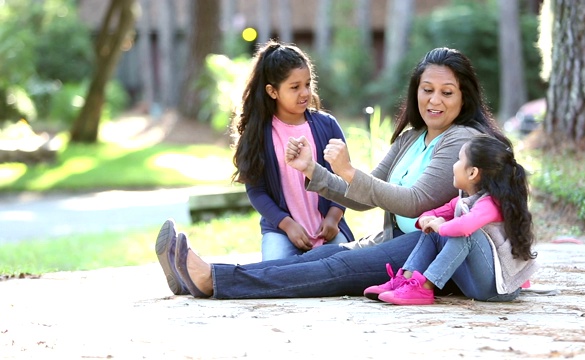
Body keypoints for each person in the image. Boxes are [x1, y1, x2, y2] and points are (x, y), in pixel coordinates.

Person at [155, 47, 512, 299]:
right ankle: (204, 280)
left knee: (334, 267)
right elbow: (364, 199)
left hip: (430, 254)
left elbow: (414, 203)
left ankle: (212, 279)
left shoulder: (463, 140)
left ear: (464, 97)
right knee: (317, 258)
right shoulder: (411, 139)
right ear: (415, 91)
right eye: (427, 89)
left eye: (447, 93)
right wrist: (314, 170)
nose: (434, 100)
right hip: (395, 244)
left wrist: (350, 171)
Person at [366, 134, 539, 305]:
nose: (454, 165)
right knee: (435, 231)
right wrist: (427, 220)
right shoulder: (464, 201)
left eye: (458, 159)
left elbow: (465, 227)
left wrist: (442, 226)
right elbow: (434, 213)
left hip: (499, 289)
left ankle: (425, 287)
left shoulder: (491, 204)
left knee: (466, 234)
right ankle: (405, 280)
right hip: (475, 284)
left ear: (472, 172)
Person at [229, 39, 354, 261]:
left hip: (329, 229)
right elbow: (256, 191)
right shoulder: (258, 133)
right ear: (272, 91)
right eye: (294, 87)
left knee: (345, 268)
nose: (304, 93)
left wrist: (334, 217)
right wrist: (287, 225)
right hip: (282, 231)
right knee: (275, 273)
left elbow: (344, 177)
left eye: (307, 84)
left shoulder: (328, 125)